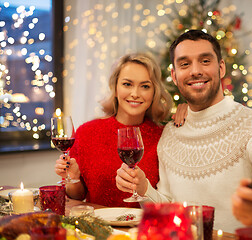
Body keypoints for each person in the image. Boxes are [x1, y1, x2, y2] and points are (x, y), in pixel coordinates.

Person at [116, 30, 252, 232]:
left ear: (221, 68)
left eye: (205, 61)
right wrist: (143, 189)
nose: (195, 71)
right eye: (185, 64)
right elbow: (166, 205)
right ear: (175, 76)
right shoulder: (170, 133)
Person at [54, 53, 173, 208]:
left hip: (145, 229)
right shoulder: (86, 133)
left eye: (145, 86)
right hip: (97, 228)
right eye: (127, 84)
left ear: (154, 92)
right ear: (115, 88)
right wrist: (73, 179)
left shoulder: (164, 136)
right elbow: (78, 195)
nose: (135, 93)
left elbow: (171, 199)